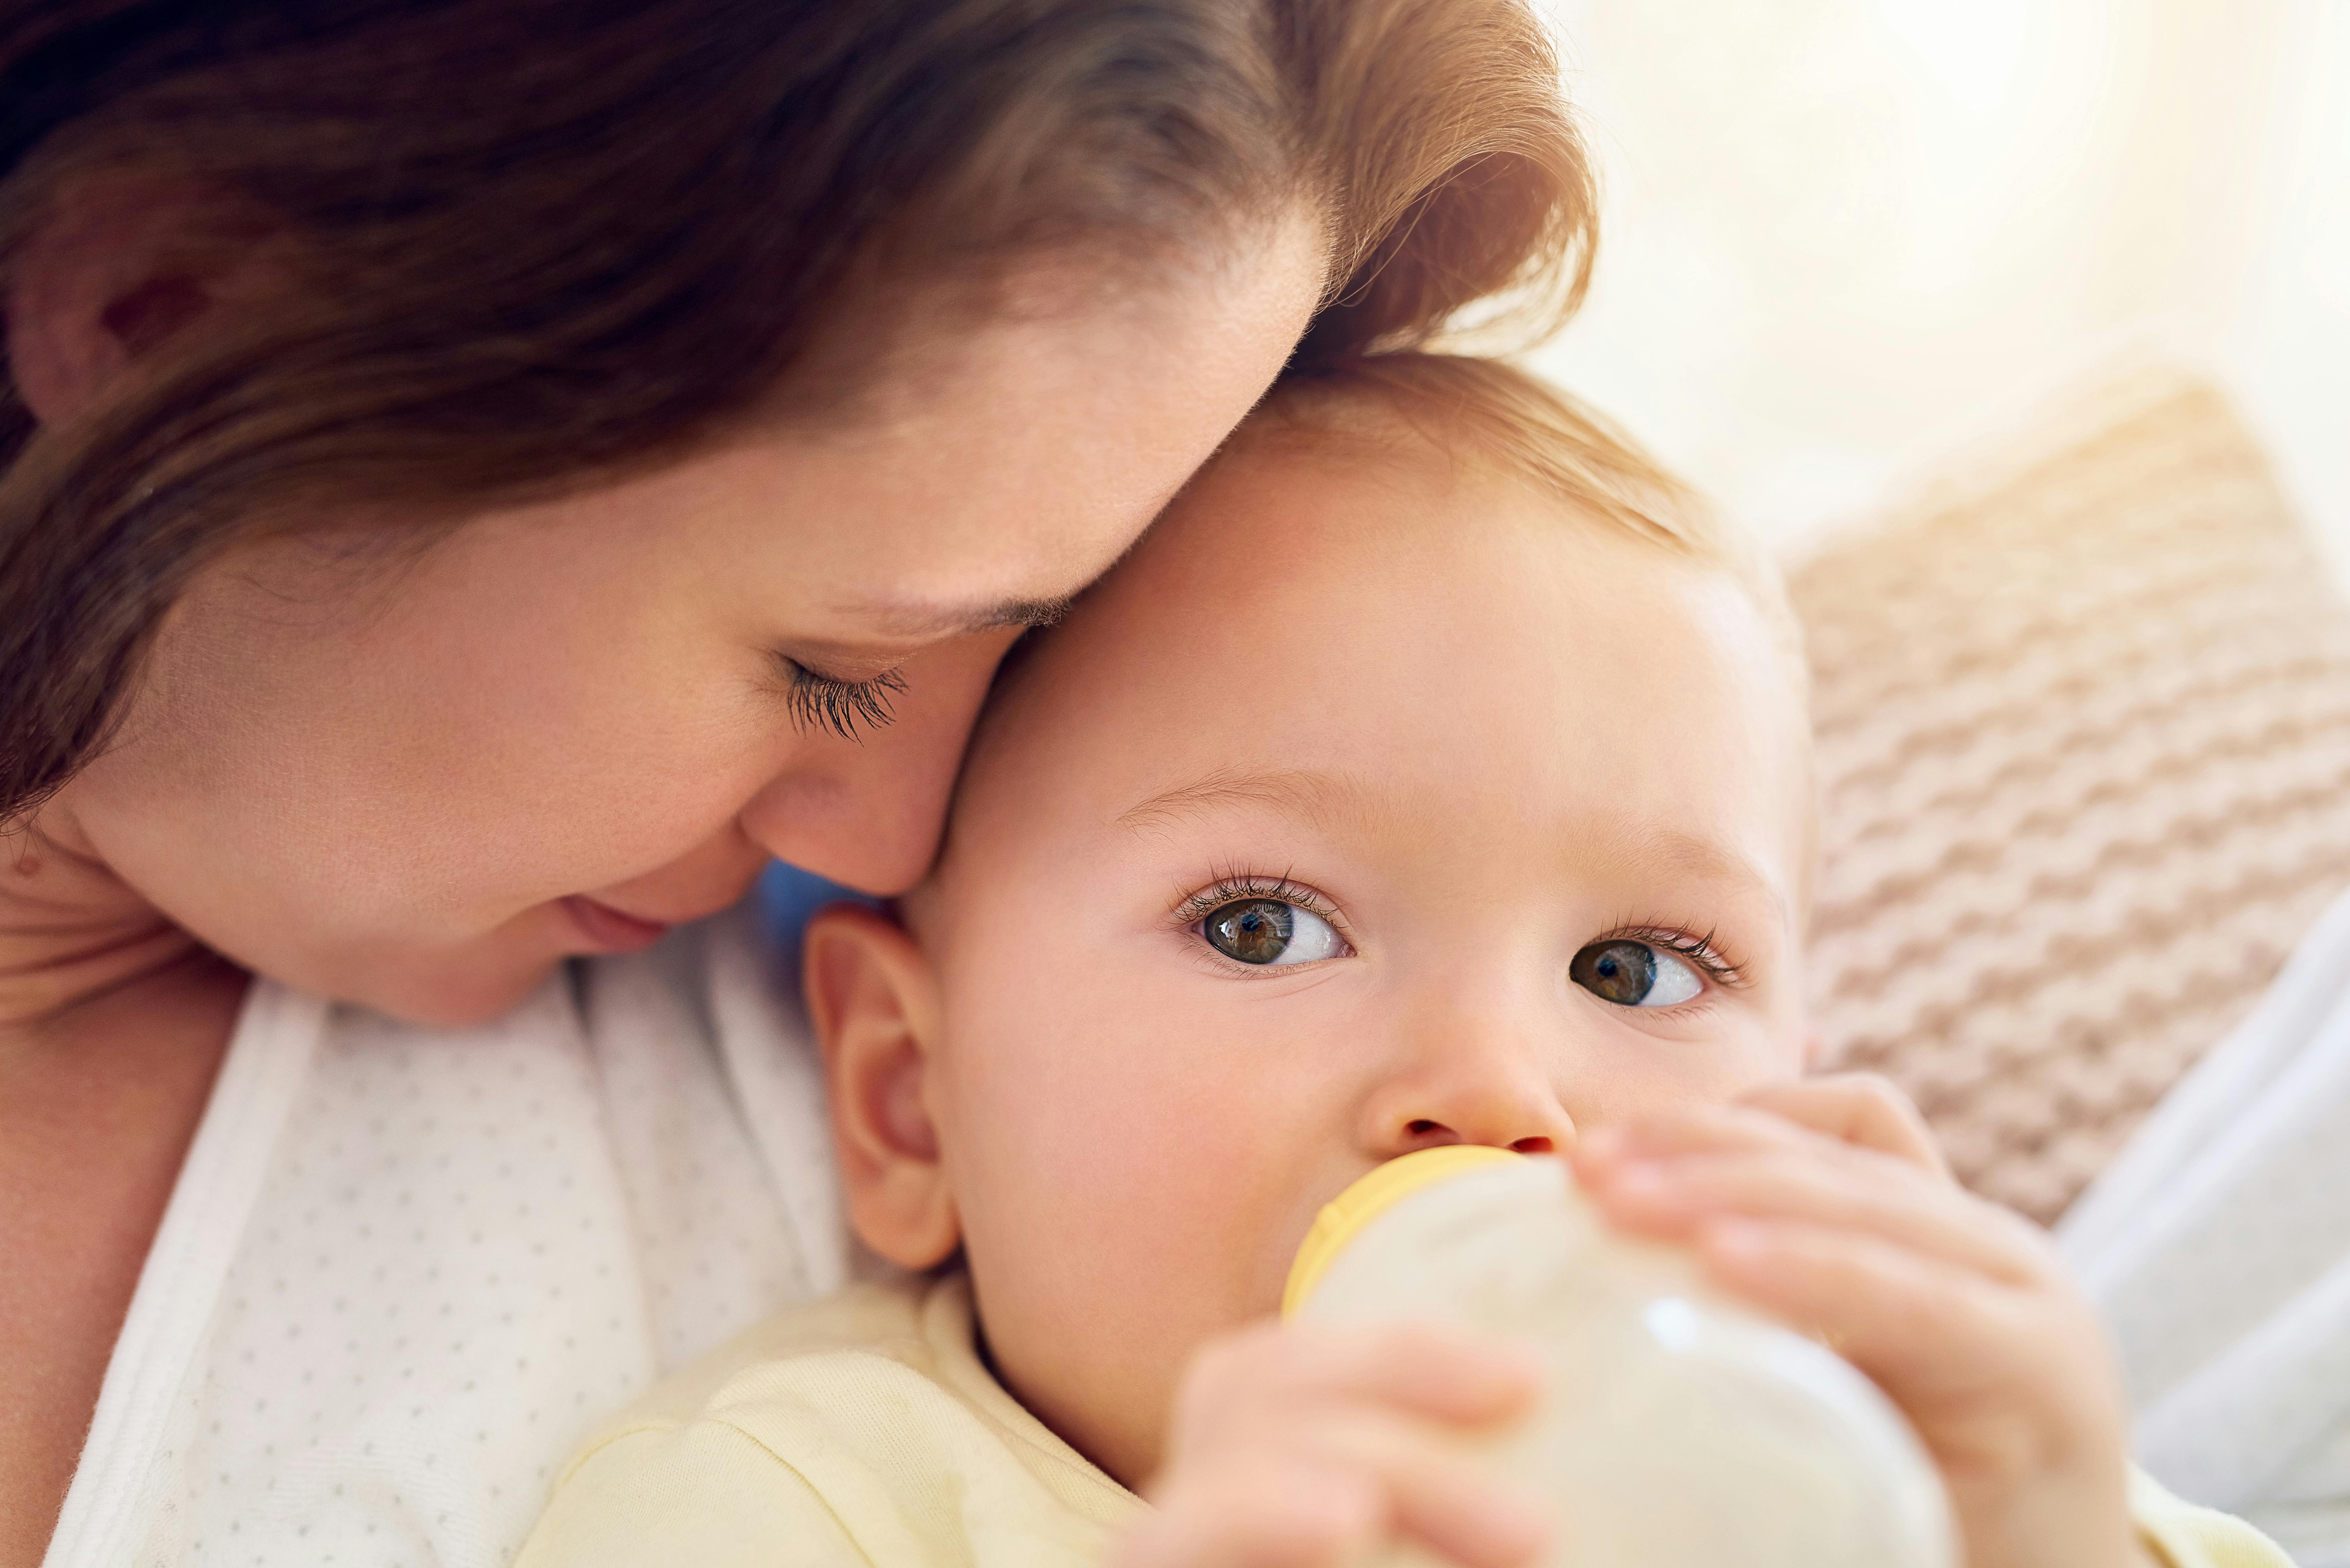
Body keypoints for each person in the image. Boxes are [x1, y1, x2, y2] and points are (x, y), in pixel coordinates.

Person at [0, 4, 1595, 1564]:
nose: (891, 836)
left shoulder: (970, 1114)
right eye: (829, 668)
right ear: (165, 319)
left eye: (1023, 645)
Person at [516, 356, 2294, 1568]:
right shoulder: (801, 1500)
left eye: (1638, 971)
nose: (1499, 1085)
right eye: (1263, 926)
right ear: (911, 1101)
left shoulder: (1847, 1474)